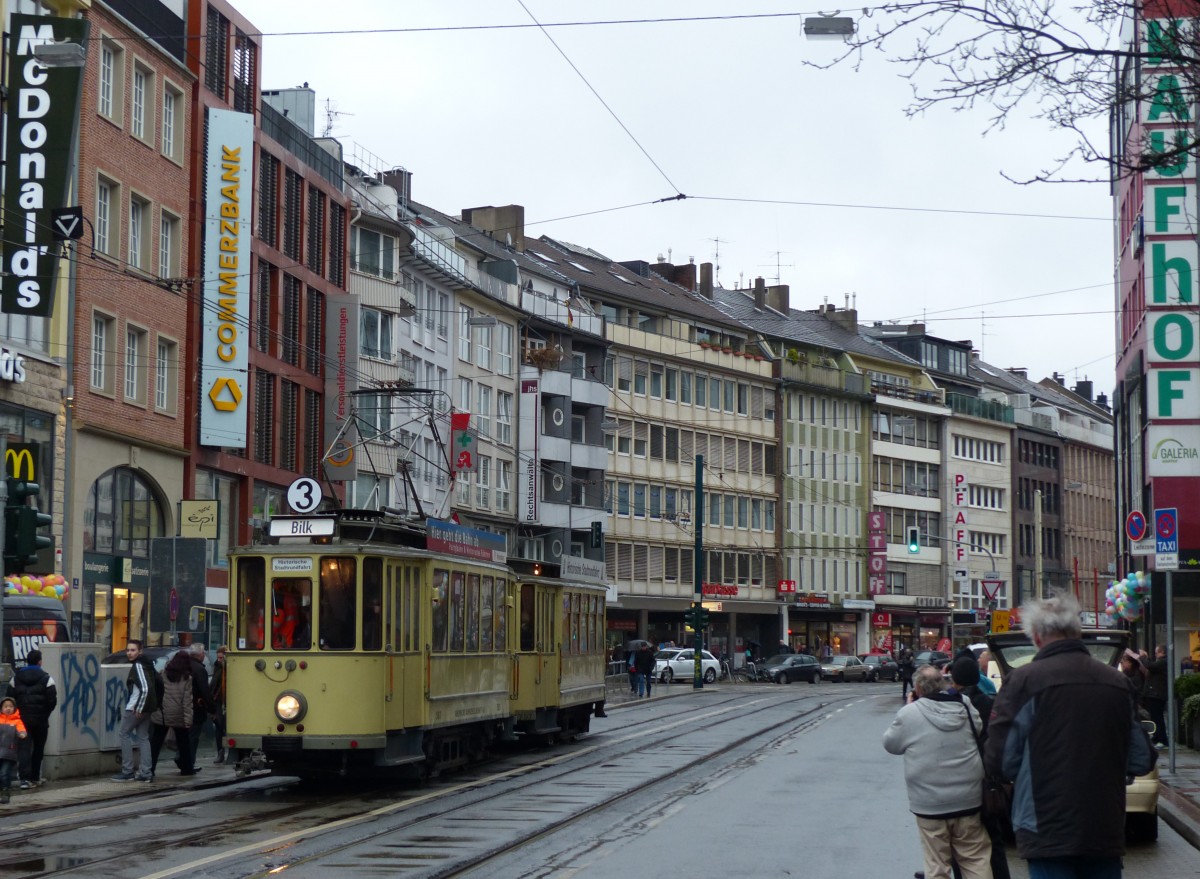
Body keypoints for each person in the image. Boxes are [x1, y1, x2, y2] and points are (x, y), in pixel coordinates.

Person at [985, 593, 1157, 879]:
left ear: (1036, 637)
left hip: (1044, 827)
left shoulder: (1023, 682)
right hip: (1103, 827)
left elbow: (1000, 762)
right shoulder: (1117, 682)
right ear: (1078, 633)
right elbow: (1141, 759)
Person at [883, 665, 992, 879]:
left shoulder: (910, 713)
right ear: (942, 684)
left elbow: (891, 744)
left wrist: (909, 707)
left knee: (937, 864)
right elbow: (978, 729)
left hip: (929, 803)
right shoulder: (965, 704)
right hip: (968, 799)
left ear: (917, 688)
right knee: (975, 858)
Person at [951, 655, 1010, 879]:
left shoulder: (952, 705)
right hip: (986, 780)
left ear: (955, 679)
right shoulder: (989, 704)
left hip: (959, 782)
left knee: (960, 841)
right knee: (994, 838)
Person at [8, 647, 57, 789]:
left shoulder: (15, 678)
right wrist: (45, 713)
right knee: (38, 749)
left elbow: (10, 699)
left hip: (21, 720)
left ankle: (24, 779)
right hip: (41, 720)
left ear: (27, 661)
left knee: (24, 749)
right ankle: (35, 778)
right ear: (40, 662)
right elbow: (52, 701)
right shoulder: (47, 679)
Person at [113, 639, 158, 782]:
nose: (129, 653)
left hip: (135, 707)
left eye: (133, 650)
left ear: (140, 651)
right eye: (128, 650)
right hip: (147, 707)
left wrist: (139, 707)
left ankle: (127, 771)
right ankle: (146, 772)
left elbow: (145, 688)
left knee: (124, 733)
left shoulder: (138, 665)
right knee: (143, 737)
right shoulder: (148, 664)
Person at [161, 650, 196, 775]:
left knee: (155, 743)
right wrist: (188, 720)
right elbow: (187, 701)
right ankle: (187, 769)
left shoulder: (163, 674)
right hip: (178, 714)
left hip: (163, 713)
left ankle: (150, 769)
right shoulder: (186, 678)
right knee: (184, 744)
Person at [184, 643, 214, 774]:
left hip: (182, 707)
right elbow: (205, 691)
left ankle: (182, 759)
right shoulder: (200, 669)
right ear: (201, 655)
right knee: (193, 737)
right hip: (196, 708)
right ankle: (189, 762)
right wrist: (211, 709)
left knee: (185, 736)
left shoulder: (183, 666)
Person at [1139, 646, 1169, 748]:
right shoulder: (1160, 662)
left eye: (1157, 653)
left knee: (1157, 717)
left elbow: (1150, 666)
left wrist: (1143, 657)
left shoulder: (1163, 662)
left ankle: (1162, 739)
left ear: (1162, 652)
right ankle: (1157, 737)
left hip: (1157, 695)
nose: (1155, 655)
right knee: (1154, 717)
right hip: (1154, 694)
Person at [0, 696, 27, 803]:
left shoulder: (17, 721)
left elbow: (22, 730)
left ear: (14, 708)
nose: (8, 708)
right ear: (1, 708)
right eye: (6, 706)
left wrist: (22, 734)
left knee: (4, 773)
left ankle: (5, 793)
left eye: (11, 706)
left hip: (9, 753)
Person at [211, 645, 228, 763]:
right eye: (218, 658)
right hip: (218, 701)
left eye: (221, 658)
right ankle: (220, 752)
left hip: (228, 701)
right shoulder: (217, 668)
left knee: (224, 728)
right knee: (219, 728)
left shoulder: (228, 669)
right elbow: (213, 685)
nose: (219, 660)